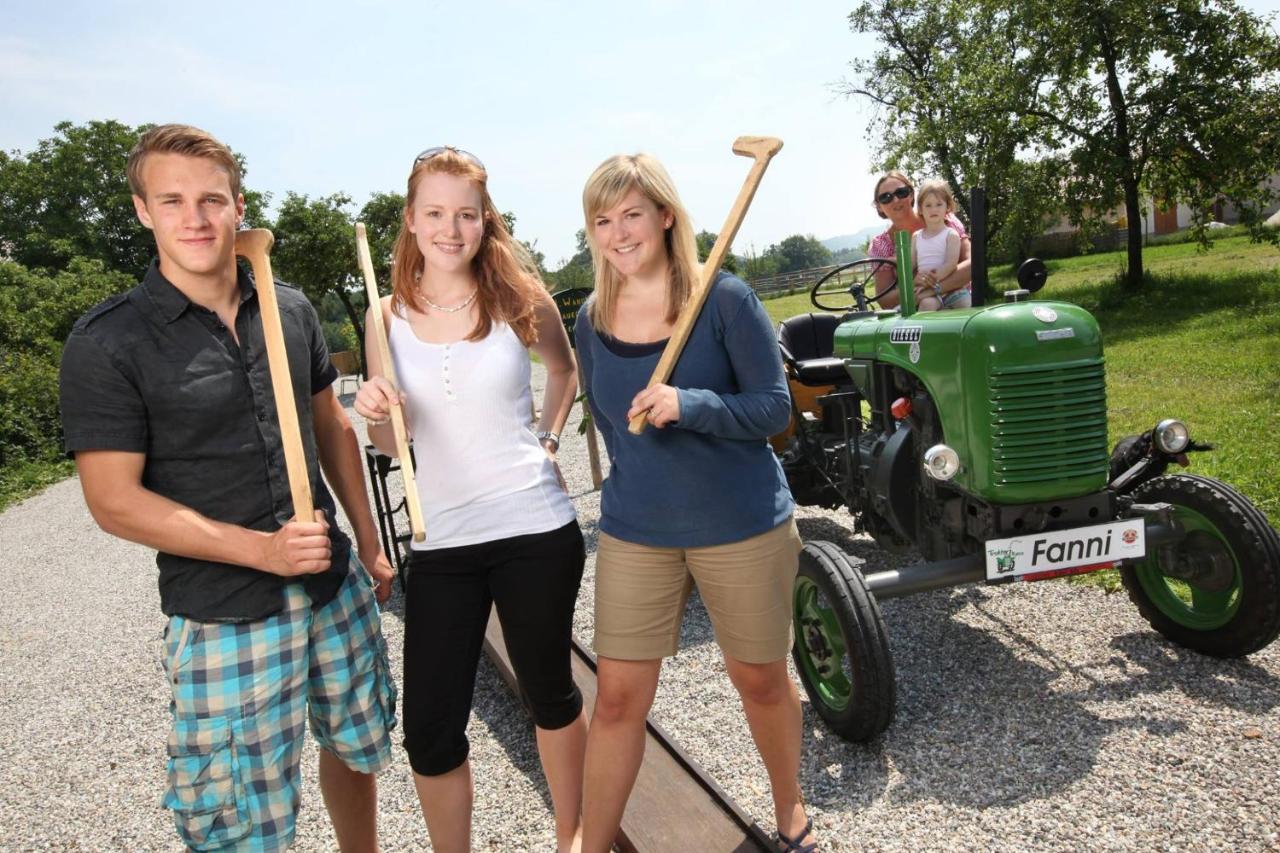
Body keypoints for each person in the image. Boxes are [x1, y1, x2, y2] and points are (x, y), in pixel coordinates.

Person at [59, 124, 397, 851]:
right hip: (223, 615)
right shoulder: (108, 342)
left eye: (212, 199)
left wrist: (369, 542)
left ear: (238, 205)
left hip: (333, 585)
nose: (196, 218)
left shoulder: (291, 307)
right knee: (239, 815)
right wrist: (263, 551)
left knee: (354, 740)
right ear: (143, 209)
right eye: (172, 200)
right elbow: (112, 499)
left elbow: (331, 426)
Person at [574, 153, 817, 853]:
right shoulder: (592, 319)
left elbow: (775, 409)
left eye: (631, 214)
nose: (618, 232)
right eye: (603, 220)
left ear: (665, 216)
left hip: (739, 521)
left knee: (760, 679)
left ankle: (790, 809)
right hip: (636, 528)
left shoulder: (724, 299)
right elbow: (608, 420)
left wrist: (693, 404)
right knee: (618, 697)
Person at [353, 147, 586, 853]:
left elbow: (565, 370)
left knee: (550, 693)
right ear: (410, 220)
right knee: (428, 727)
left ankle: (573, 834)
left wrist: (546, 442)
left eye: (466, 213)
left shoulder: (519, 295)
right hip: (443, 542)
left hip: (535, 528)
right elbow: (396, 445)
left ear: (485, 220)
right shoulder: (382, 315)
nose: (451, 228)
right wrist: (373, 412)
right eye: (435, 212)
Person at [867, 170, 972, 309]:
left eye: (901, 192)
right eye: (886, 197)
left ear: (911, 194)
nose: (896, 200)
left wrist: (930, 290)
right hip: (919, 310)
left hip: (959, 299)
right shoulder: (880, 245)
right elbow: (885, 300)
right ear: (879, 206)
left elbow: (972, 265)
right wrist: (914, 283)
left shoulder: (945, 219)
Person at [911, 179, 963, 311]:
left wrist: (930, 282)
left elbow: (951, 264)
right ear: (920, 209)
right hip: (925, 291)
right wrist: (916, 281)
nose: (933, 209)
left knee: (965, 301)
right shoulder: (916, 237)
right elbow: (910, 266)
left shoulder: (951, 235)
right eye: (928, 205)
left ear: (948, 207)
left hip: (949, 288)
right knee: (927, 305)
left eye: (939, 204)